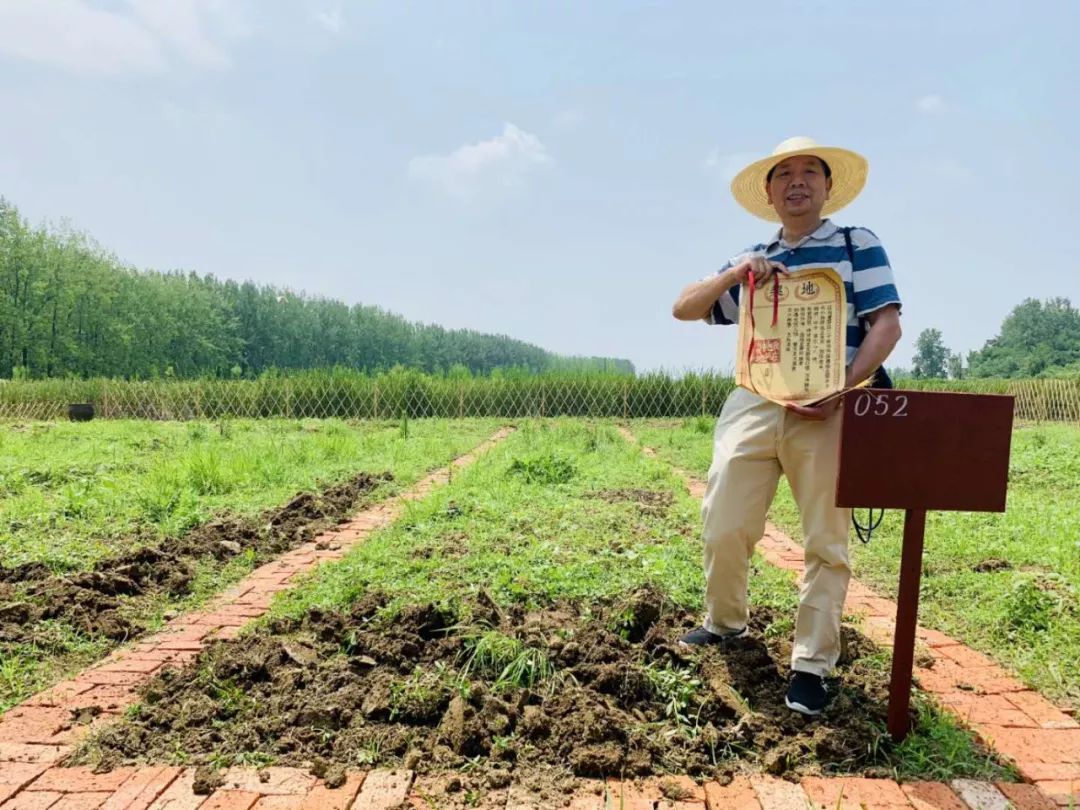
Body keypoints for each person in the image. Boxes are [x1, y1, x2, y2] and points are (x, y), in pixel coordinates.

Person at [670, 136, 902, 716]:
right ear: (769, 193)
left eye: (809, 173)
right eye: (785, 175)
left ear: (827, 187)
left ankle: (812, 665)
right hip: (756, 400)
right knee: (723, 519)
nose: (797, 182)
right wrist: (734, 274)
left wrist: (842, 386)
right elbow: (684, 307)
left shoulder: (857, 245)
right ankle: (724, 623)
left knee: (825, 538)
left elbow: (886, 326)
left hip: (830, 404)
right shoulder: (753, 259)